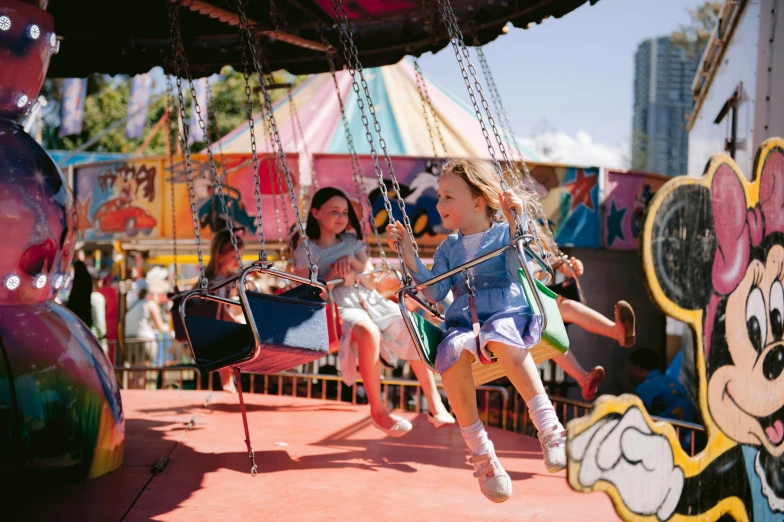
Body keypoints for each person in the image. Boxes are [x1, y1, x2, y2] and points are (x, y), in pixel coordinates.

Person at [387, 158, 566, 503]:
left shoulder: (502, 234)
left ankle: (549, 427)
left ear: (479, 202)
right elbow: (437, 292)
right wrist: (410, 257)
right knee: (449, 359)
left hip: (505, 313)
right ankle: (482, 455)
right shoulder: (448, 248)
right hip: (464, 321)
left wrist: (517, 226)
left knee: (501, 336)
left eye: (448, 197)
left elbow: (516, 267)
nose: (439, 205)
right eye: (439, 197)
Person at [293, 187, 454, 437]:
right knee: (368, 331)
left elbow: (372, 282)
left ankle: (435, 403)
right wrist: (333, 276)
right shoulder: (307, 250)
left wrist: (354, 266)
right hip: (336, 307)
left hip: (368, 300)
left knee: (408, 323)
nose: (341, 217)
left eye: (344, 212)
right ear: (315, 213)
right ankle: (378, 411)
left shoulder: (352, 243)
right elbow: (306, 292)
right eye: (334, 211)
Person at [545, 256, 636, 401]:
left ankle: (617, 332)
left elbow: (560, 264)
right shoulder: (508, 238)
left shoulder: (538, 240)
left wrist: (573, 267)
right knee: (545, 333)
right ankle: (583, 378)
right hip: (516, 302)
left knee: (568, 308)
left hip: (535, 298)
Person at [204, 228, 249, 393]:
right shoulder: (213, 283)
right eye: (234, 258)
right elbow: (220, 312)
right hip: (211, 330)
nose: (237, 263)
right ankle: (226, 382)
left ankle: (228, 380)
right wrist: (241, 325)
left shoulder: (227, 280)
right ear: (219, 256)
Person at [629, 347, 696, 423]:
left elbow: (635, 415)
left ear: (639, 369)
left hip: (668, 430)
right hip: (689, 429)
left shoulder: (643, 389)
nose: (631, 374)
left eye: (631, 369)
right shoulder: (673, 381)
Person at [67, 261, 108, 357]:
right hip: (92, 342)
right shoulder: (97, 298)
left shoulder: (71, 298)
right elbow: (99, 323)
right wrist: (103, 342)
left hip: (74, 342)